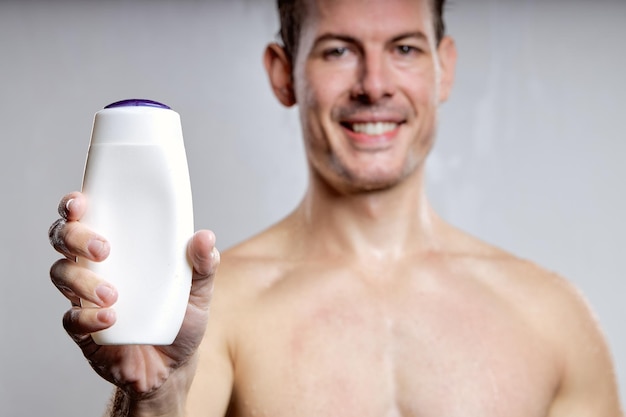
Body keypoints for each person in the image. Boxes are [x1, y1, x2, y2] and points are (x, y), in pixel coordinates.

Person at [49, 0, 623, 416]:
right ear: (283, 73)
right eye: (339, 50)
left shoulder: (552, 317)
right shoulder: (213, 312)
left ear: (443, 66)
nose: (374, 85)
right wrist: (153, 397)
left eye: (403, 48)